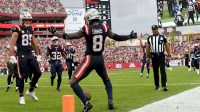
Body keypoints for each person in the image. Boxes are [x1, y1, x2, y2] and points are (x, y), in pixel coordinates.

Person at [48, 8, 137, 112]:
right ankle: (110, 101)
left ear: (89, 18)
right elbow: (116, 37)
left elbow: (70, 36)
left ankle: (86, 104)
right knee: (106, 80)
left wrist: (56, 33)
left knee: (73, 81)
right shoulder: (104, 27)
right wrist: (129, 36)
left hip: (90, 59)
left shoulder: (87, 28)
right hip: (100, 58)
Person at [8, 11, 42, 104]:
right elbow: (12, 43)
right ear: (21, 20)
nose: (27, 21)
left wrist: (38, 54)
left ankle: (30, 91)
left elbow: (34, 42)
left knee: (38, 73)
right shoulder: (17, 28)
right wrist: (11, 55)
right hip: (21, 54)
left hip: (30, 54)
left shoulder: (31, 28)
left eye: (28, 20)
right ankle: (21, 96)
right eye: (25, 20)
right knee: (22, 76)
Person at [146, 25, 171, 91]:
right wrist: (147, 56)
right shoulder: (149, 38)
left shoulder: (162, 37)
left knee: (162, 70)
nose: (154, 31)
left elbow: (167, 46)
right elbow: (148, 47)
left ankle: (164, 85)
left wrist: (169, 55)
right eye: (153, 29)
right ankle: (157, 86)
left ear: (158, 29)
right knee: (155, 71)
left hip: (161, 55)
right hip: (153, 55)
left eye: (155, 29)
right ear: (152, 30)